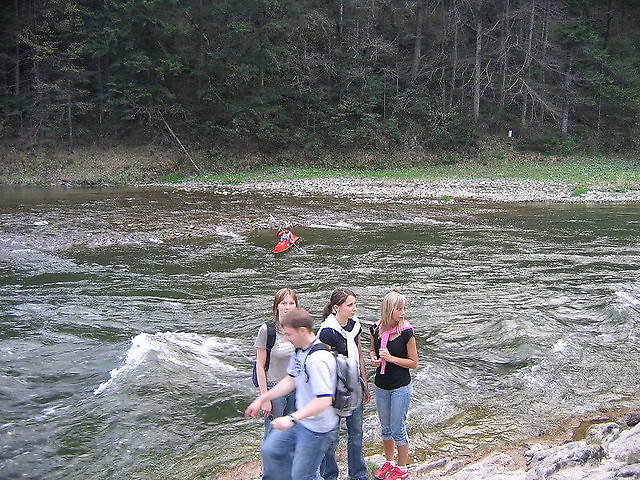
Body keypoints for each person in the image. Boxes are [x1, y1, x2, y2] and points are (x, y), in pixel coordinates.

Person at [245, 307, 339, 480]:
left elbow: (324, 400)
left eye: (289, 334)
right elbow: (290, 380)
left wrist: (291, 419)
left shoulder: (318, 359)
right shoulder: (300, 350)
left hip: (318, 429)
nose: (287, 339)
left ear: (302, 330)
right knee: (271, 450)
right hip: (302, 421)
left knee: (303, 476)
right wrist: (263, 398)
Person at [319, 287, 371, 480]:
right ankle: (329, 475)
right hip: (334, 388)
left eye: (355, 304)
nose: (354, 308)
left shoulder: (355, 326)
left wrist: (364, 383)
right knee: (331, 435)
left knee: (356, 432)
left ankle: (358, 473)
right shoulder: (327, 331)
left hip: (354, 383)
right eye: (350, 305)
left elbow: (360, 355)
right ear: (336, 308)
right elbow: (323, 364)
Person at [369, 292, 418, 480]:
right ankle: (389, 462)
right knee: (386, 428)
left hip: (400, 386)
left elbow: (413, 363)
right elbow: (372, 350)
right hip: (381, 385)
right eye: (399, 309)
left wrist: (391, 358)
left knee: (398, 428)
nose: (403, 312)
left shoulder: (406, 333)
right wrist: (374, 358)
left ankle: (402, 467)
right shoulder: (375, 329)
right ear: (389, 310)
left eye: (404, 308)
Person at [254, 288, 297, 438]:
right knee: (273, 435)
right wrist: (264, 398)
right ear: (277, 306)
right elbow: (260, 366)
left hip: (295, 388)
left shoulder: (299, 328)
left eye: (291, 303)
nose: (287, 307)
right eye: (284, 303)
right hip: (275, 389)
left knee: (291, 433)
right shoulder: (267, 330)